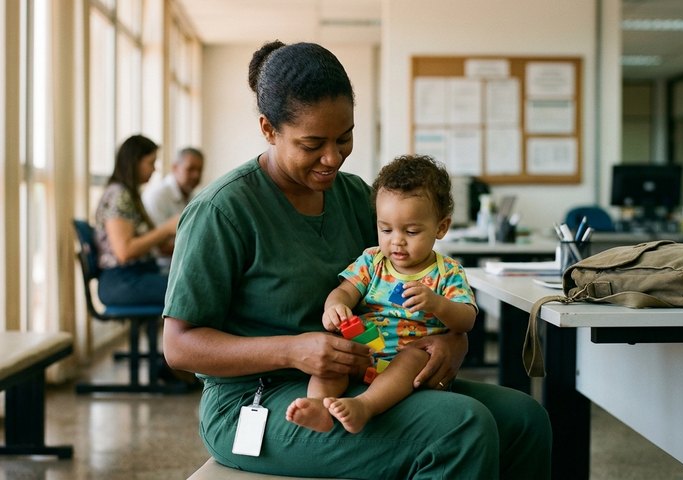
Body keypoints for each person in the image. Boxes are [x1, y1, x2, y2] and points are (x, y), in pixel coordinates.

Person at [162, 40, 551, 479]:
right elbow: (178, 346)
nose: (332, 157)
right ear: (269, 129)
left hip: (368, 377)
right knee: (461, 427)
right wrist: (295, 351)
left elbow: (412, 276)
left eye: (344, 137)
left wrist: (449, 342)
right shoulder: (222, 211)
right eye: (312, 144)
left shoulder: (355, 196)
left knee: (523, 418)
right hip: (258, 403)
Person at [286, 154, 477, 435]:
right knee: (332, 354)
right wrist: (335, 307)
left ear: (441, 227)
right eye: (385, 229)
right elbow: (344, 291)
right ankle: (317, 406)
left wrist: (437, 304)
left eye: (411, 231)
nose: (396, 240)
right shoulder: (373, 261)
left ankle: (364, 406)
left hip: (409, 363)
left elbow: (466, 320)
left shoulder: (447, 272)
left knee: (412, 358)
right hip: (365, 350)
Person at [94, 134, 179, 306]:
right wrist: (167, 229)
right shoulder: (119, 194)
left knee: (194, 283)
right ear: (134, 162)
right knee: (192, 289)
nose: (154, 169)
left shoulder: (131, 196)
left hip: (136, 274)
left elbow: (161, 248)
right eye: (150, 162)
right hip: (123, 280)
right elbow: (124, 252)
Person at [142, 147, 204, 226]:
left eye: (200, 170)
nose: (196, 175)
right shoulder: (157, 195)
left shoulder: (196, 196)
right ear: (175, 168)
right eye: (190, 169)